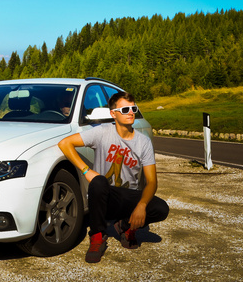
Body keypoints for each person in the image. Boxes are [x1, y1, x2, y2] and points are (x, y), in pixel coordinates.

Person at [57, 92, 169, 263]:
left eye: (133, 108)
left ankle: (125, 225)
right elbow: (65, 143)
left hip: (127, 197)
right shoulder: (102, 133)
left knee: (161, 208)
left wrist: (141, 205)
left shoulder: (143, 142)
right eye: (125, 109)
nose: (131, 112)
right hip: (104, 197)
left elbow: (152, 182)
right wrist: (86, 170)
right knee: (99, 181)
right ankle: (97, 236)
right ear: (113, 114)